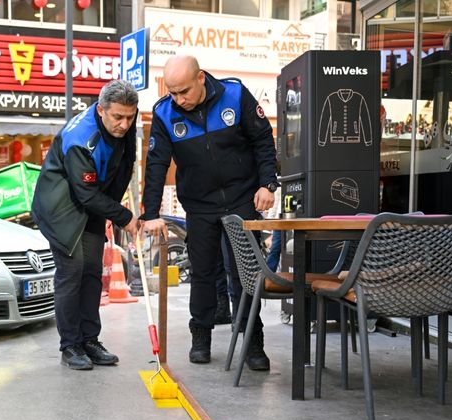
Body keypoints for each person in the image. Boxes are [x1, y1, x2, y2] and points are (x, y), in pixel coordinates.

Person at [141, 55, 278, 369]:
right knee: (202, 274)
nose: (179, 99)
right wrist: (151, 213)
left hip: (244, 200)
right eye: (173, 92)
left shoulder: (235, 94)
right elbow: (157, 166)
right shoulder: (165, 113)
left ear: (200, 77)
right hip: (200, 206)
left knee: (245, 275)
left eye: (184, 91)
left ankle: (253, 343)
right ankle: (200, 338)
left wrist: (268, 184)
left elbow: (262, 140)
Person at [32, 80, 139, 370]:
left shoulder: (126, 121)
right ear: (101, 110)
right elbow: (85, 193)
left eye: (130, 117)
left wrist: (113, 210)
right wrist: (124, 216)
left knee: (93, 271)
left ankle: (90, 339)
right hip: (60, 205)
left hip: (91, 202)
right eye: (118, 117)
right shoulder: (81, 138)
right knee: (72, 270)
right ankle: (70, 346)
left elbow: (124, 164)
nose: (124, 124)